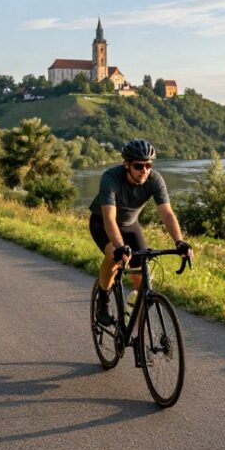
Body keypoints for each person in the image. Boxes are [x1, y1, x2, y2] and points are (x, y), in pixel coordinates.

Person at [89, 139, 193, 326]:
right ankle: (103, 300)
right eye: (138, 166)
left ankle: (136, 333)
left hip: (130, 225)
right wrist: (120, 247)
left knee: (144, 282)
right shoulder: (111, 178)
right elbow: (110, 219)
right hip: (102, 222)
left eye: (148, 165)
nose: (144, 170)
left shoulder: (154, 179)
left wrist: (180, 241)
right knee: (113, 254)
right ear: (127, 165)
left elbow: (167, 213)